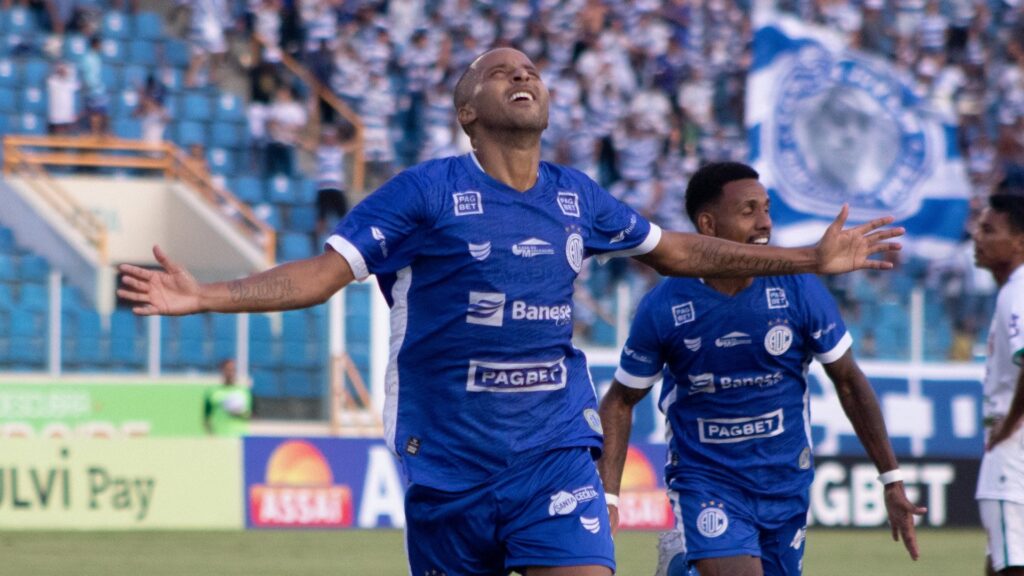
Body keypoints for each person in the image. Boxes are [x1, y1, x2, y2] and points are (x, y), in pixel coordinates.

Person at [117, 49, 904, 576]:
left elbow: (681, 251)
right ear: (468, 110)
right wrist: (207, 295)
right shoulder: (425, 194)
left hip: (554, 453)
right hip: (446, 459)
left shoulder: (576, 195)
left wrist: (807, 258)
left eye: (529, 69)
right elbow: (323, 275)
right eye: (499, 74)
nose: (521, 75)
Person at [596, 161, 925, 576]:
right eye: (748, 210)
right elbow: (620, 401)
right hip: (706, 482)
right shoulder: (665, 307)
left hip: (786, 483)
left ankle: (682, 566)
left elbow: (849, 381)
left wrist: (891, 480)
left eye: (767, 208)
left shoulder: (799, 289)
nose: (764, 221)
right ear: (708, 224)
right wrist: (608, 499)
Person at [972, 191, 1024, 576]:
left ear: (1019, 241)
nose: (977, 236)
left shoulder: (1016, 293)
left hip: (1012, 457)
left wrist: (1006, 427)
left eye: (989, 230)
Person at [203, 358, 252, 436]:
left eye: (232, 370)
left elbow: (249, 415)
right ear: (222, 371)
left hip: (240, 436)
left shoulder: (243, 392)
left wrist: (238, 413)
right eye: (227, 369)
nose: (230, 372)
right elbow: (206, 418)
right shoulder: (213, 392)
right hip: (221, 436)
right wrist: (212, 435)